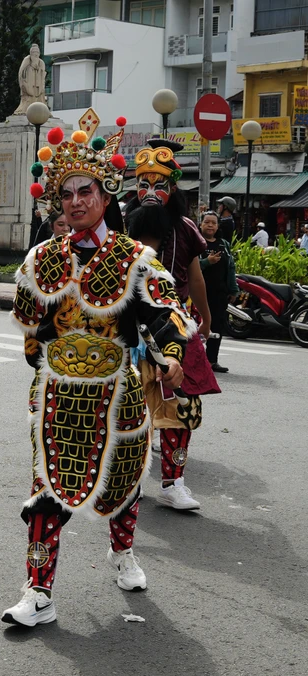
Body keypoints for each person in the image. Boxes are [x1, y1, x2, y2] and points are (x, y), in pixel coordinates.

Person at [3, 113, 195, 627]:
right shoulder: (43, 257)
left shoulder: (135, 258)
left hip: (120, 394)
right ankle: (38, 592)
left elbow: (163, 313)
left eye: (85, 191)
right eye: (66, 194)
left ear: (106, 196)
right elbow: (31, 328)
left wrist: (171, 354)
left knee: (124, 484)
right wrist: (47, 365)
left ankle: (123, 550)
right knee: (46, 492)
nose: (75, 202)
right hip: (59, 396)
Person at [128, 139, 218, 513]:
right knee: (126, 406)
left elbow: (195, 276)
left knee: (183, 407)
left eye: (159, 185)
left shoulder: (184, 228)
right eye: (144, 184)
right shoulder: (121, 224)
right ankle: (127, 479)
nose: (150, 193)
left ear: (173, 188)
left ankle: (172, 482)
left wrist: (206, 317)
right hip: (128, 324)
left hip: (176, 326)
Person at [198, 211, 238, 373]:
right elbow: (189, 266)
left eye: (213, 223)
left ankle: (212, 361)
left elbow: (231, 267)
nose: (210, 225)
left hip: (219, 294)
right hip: (199, 293)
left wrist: (233, 289)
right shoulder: (196, 243)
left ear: (218, 226)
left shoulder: (223, 244)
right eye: (207, 222)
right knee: (197, 327)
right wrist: (207, 261)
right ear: (200, 224)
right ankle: (196, 360)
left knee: (217, 327)